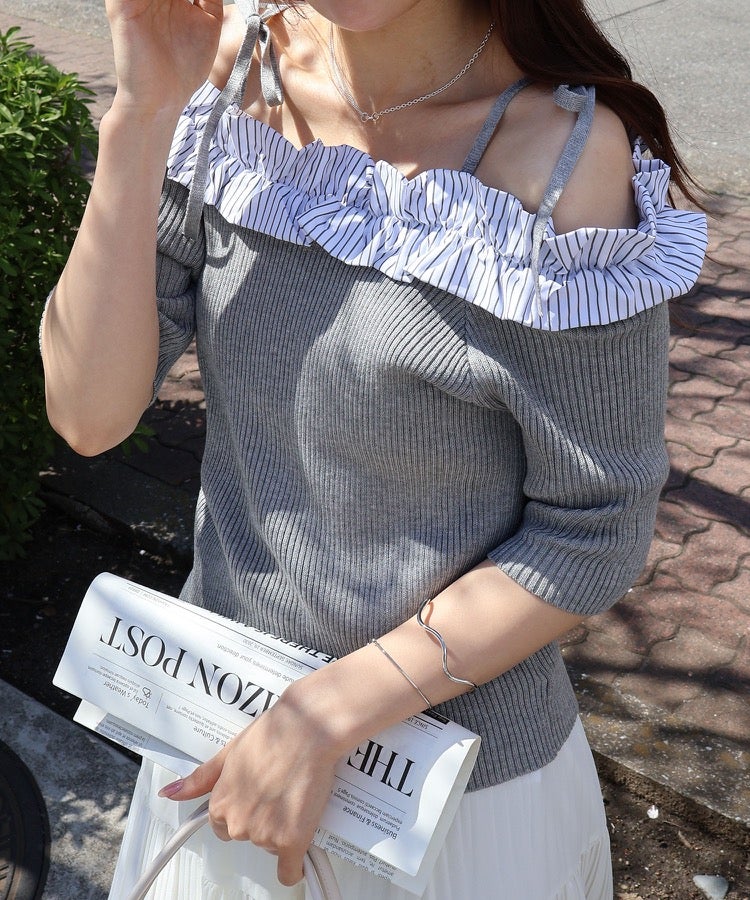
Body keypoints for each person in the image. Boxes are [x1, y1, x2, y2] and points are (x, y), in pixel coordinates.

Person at [40, 0, 707, 897]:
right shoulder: (230, 82)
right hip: (220, 740)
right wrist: (143, 112)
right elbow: (88, 414)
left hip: (448, 803)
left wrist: (324, 717)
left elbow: (595, 527)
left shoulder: (561, 169)